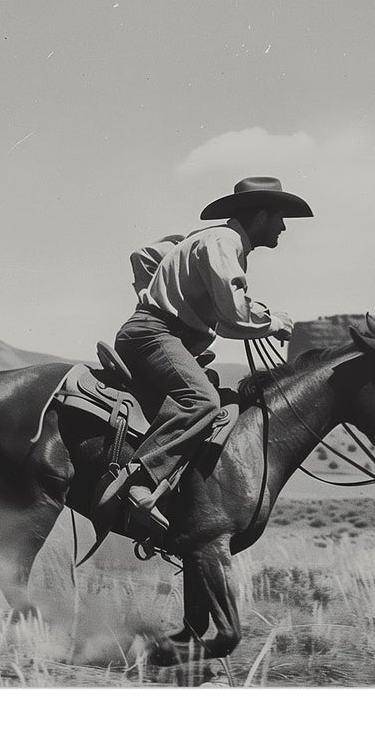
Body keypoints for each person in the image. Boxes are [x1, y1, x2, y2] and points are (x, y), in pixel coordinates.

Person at [98, 175, 311, 536]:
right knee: (203, 401)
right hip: (156, 335)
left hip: (158, 334)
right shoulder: (224, 242)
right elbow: (233, 317)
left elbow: (143, 255)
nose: (284, 227)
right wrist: (273, 323)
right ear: (260, 215)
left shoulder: (205, 239)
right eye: (280, 217)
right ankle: (140, 481)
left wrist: (156, 291)